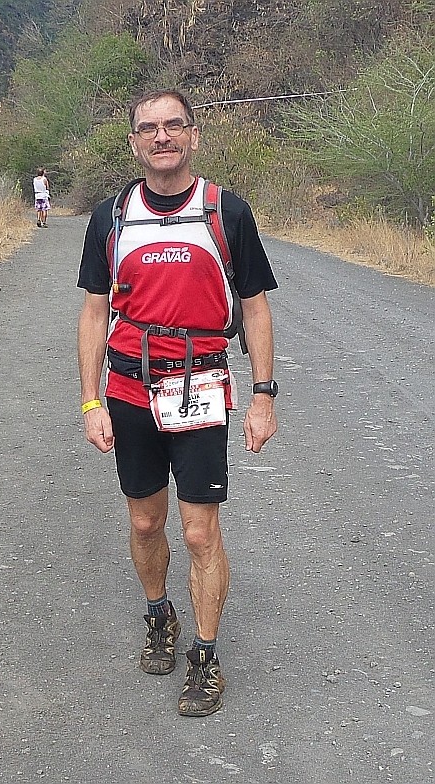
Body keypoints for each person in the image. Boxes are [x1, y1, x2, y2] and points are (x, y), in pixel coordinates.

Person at [76, 89, 278, 717]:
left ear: (193, 135)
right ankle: (159, 612)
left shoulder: (228, 212)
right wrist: (90, 402)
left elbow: (255, 307)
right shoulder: (111, 217)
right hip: (129, 389)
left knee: (198, 530)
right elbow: (94, 311)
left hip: (201, 388)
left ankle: (205, 653)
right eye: (149, 129)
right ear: (134, 142)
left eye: (173, 126)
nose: (161, 138)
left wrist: (264, 395)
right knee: (144, 521)